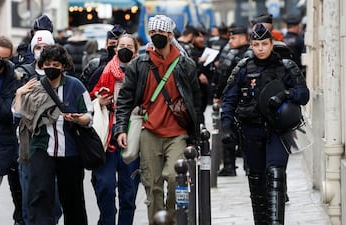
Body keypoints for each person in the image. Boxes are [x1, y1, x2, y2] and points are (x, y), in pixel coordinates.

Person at [114, 15, 202, 224]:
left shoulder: (185, 64)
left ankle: (170, 219)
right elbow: (125, 98)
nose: (157, 36)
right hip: (149, 132)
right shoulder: (140, 64)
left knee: (174, 179)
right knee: (151, 186)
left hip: (177, 133)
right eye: (153, 33)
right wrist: (121, 129)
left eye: (161, 33)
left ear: (170, 34)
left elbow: (196, 100)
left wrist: (195, 135)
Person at [220, 24, 309, 224]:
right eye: (256, 44)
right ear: (251, 45)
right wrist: (226, 126)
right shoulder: (243, 68)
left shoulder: (285, 66)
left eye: (264, 44)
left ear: (271, 44)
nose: (260, 48)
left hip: (278, 131)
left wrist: (286, 94)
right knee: (257, 180)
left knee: (276, 174)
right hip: (251, 131)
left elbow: (304, 94)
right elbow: (229, 99)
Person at [13, 45, 92, 225]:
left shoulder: (75, 85)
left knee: (73, 200)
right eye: (47, 63)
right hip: (42, 149)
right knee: (39, 196)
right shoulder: (35, 86)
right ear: (41, 65)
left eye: (56, 64)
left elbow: (89, 114)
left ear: (63, 66)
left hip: (70, 151)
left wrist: (79, 119)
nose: (51, 67)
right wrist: (19, 94)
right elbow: (19, 117)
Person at [89, 33, 141, 225]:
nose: (125, 49)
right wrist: (98, 102)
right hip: (106, 137)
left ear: (136, 52)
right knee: (105, 186)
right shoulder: (102, 71)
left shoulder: (141, 74)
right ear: (115, 48)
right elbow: (86, 99)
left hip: (131, 136)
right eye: (121, 45)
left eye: (129, 46)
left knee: (129, 192)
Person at [14, 29, 63, 225]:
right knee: (29, 200)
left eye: (45, 47)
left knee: (55, 200)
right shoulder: (24, 74)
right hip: (28, 146)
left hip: (55, 147)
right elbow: (16, 115)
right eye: (37, 47)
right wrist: (20, 94)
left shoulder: (62, 74)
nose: (41, 51)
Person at [0, 36, 24, 225]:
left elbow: (7, 115)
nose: (0, 61)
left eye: (4, 58)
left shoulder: (12, 78)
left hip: (1, 143)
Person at [214, 26, 250, 176]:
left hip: (235, 99)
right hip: (245, 100)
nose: (230, 41)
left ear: (242, 38)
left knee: (229, 132)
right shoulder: (250, 53)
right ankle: (247, 167)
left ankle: (230, 166)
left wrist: (217, 94)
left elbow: (223, 75)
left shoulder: (234, 54)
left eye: (233, 38)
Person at [80, 24, 126, 91]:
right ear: (106, 44)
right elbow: (84, 89)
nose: (115, 48)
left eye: (120, 45)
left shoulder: (134, 66)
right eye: (112, 43)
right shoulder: (96, 64)